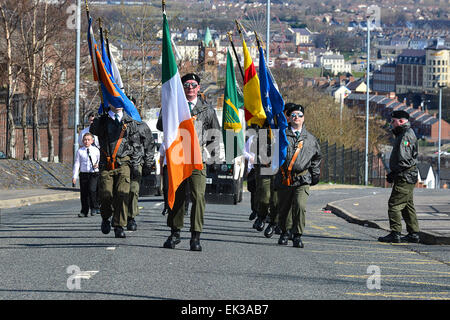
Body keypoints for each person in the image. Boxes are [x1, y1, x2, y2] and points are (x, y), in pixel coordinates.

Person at [157, 73, 220, 251]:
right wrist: (169, 108)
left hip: (197, 159)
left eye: (193, 85)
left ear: (199, 88)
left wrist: (214, 159)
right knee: (177, 196)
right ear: (181, 88)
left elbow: (214, 135)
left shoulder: (207, 110)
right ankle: (175, 232)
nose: (190, 88)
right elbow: (161, 125)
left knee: (198, 197)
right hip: (177, 157)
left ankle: (195, 236)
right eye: (186, 86)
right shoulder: (174, 106)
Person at [90, 104, 140, 239]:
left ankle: (119, 225)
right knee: (106, 194)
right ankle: (106, 217)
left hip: (124, 163)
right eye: (113, 99)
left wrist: (135, 165)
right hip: (106, 164)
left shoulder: (130, 121)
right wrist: (100, 116)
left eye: (119, 99)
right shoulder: (103, 120)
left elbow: (136, 144)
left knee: (122, 195)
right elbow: (93, 129)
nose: (116, 103)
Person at [275, 103, 321, 248]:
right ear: (289, 118)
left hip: (303, 178)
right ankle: (284, 232)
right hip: (285, 178)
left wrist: (315, 174)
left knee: (300, 206)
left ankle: (297, 235)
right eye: (293, 115)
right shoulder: (281, 135)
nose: (296, 118)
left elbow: (316, 157)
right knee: (284, 208)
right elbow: (271, 153)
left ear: (303, 118)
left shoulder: (311, 139)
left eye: (299, 115)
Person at [378, 110, 420, 244]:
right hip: (406, 175)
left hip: (405, 176)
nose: (391, 124)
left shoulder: (405, 136)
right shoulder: (404, 133)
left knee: (394, 204)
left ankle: (395, 233)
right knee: (407, 205)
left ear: (401, 121)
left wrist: (394, 173)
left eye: (393, 121)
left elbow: (405, 159)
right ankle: (413, 234)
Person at [127, 119, 156, 231]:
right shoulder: (117, 123)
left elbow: (149, 144)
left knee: (133, 190)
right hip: (119, 162)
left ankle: (131, 217)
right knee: (119, 191)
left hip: (137, 162)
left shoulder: (142, 126)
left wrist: (148, 164)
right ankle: (118, 216)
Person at [72, 132, 100, 217]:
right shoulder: (80, 151)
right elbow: (77, 164)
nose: (86, 141)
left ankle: (94, 208)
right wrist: (74, 176)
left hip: (93, 173)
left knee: (92, 190)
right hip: (84, 174)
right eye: (85, 140)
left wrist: (97, 164)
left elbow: (100, 160)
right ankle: (84, 211)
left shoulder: (96, 150)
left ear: (92, 141)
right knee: (84, 193)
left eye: (88, 140)